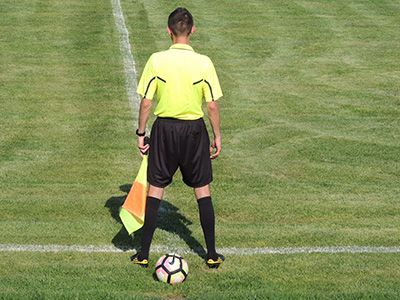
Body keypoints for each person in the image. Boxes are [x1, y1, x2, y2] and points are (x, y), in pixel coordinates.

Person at [131, 7, 224, 269]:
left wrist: (141, 134)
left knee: (156, 189)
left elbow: (146, 102)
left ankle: (143, 254)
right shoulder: (204, 62)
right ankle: (212, 254)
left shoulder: (157, 60)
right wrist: (216, 136)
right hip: (194, 131)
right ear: (192, 31)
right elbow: (212, 106)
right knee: (202, 190)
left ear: (168, 31)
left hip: (163, 131)